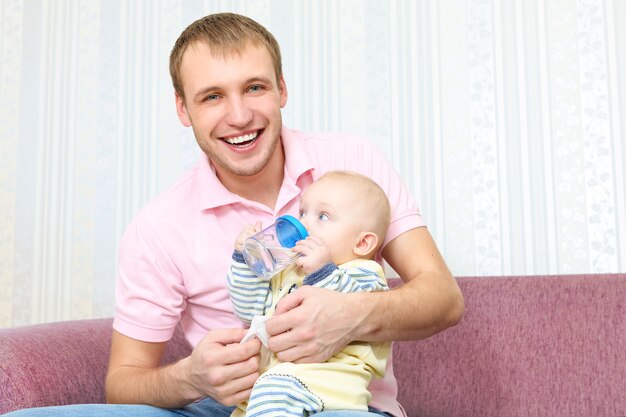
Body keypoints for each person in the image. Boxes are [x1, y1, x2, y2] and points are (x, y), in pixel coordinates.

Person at [5, 12, 463, 417]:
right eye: (212, 97)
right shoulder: (158, 226)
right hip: (219, 407)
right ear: (183, 109)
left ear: (281, 89)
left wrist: (352, 314)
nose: (239, 115)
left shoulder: (353, 162)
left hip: (338, 400)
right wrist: (189, 378)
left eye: (255, 87)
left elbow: (445, 299)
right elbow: (123, 380)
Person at [228, 171, 392, 416]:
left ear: (362, 243)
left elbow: (350, 307)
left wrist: (322, 271)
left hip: (331, 384)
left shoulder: (366, 273)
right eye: (302, 212)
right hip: (277, 383)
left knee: (273, 391)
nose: (304, 224)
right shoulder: (289, 270)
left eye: (323, 216)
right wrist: (245, 260)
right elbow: (248, 310)